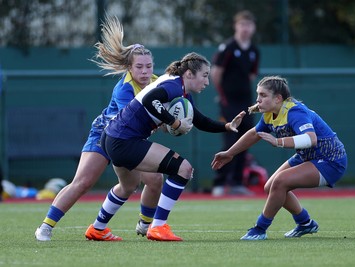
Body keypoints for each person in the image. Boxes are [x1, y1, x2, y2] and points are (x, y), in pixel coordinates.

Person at [86, 52, 246, 242]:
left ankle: (97, 228)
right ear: (188, 74)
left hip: (112, 136)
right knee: (183, 169)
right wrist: (174, 122)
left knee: (128, 186)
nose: (207, 82)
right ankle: (158, 226)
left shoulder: (179, 89)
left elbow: (200, 120)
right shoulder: (173, 85)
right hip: (123, 140)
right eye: (204, 75)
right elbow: (149, 100)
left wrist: (227, 126)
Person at [35, 15, 163, 241]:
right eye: (139, 67)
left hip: (129, 140)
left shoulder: (157, 82)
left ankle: (137, 226)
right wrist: (169, 121)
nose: (145, 71)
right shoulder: (124, 89)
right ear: (129, 68)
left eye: (149, 66)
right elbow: (134, 119)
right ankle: (46, 226)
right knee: (83, 182)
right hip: (105, 134)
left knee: (144, 182)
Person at [211, 76, 347, 240]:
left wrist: (278, 141)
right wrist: (230, 153)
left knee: (280, 182)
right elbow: (255, 134)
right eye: (258, 95)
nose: (258, 99)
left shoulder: (295, 112)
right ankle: (305, 223)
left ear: (278, 98)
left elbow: (311, 139)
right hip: (308, 156)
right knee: (270, 187)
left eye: (263, 95)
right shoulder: (269, 113)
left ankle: (260, 229)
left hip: (330, 159)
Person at [211, 10, 260, 196]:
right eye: (242, 25)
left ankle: (238, 182)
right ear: (236, 26)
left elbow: (252, 75)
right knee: (230, 140)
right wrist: (223, 96)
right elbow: (216, 74)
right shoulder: (228, 47)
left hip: (247, 103)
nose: (245, 29)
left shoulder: (254, 51)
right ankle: (220, 182)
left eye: (248, 25)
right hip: (229, 103)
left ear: (253, 28)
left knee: (246, 140)